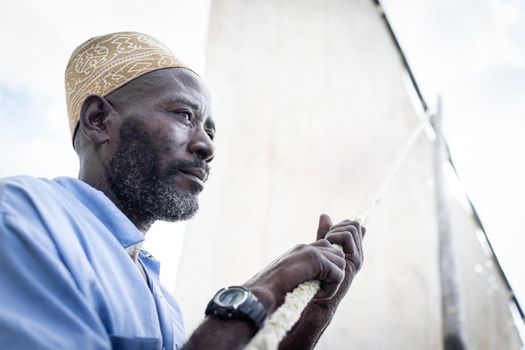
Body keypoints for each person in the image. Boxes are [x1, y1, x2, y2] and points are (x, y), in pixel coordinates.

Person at [0, 32, 365, 350]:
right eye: (184, 115)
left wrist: (315, 313)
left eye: (211, 131)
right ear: (98, 120)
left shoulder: (162, 299)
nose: (207, 147)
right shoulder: (22, 215)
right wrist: (259, 294)